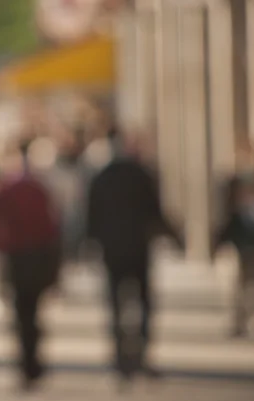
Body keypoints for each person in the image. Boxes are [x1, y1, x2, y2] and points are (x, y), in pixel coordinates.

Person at [86, 136, 183, 386]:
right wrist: (173, 237)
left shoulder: (102, 177)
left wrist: (88, 243)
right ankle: (142, 354)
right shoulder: (141, 175)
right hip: (138, 248)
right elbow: (155, 210)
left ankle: (121, 358)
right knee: (143, 303)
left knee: (116, 305)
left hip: (113, 250)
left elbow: (91, 216)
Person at [0, 138, 61, 391]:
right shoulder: (37, 188)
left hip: (16, 257)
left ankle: (27, 362)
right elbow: (53, 225)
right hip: (36, 256)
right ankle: (32, 359)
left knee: (21, 311)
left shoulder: (3, 188)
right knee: (32, 311)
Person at [213, 141, 254, 338]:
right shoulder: (232, 181)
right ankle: (239, 321)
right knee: (239, 282)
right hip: (241, 239)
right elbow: (225, 214)